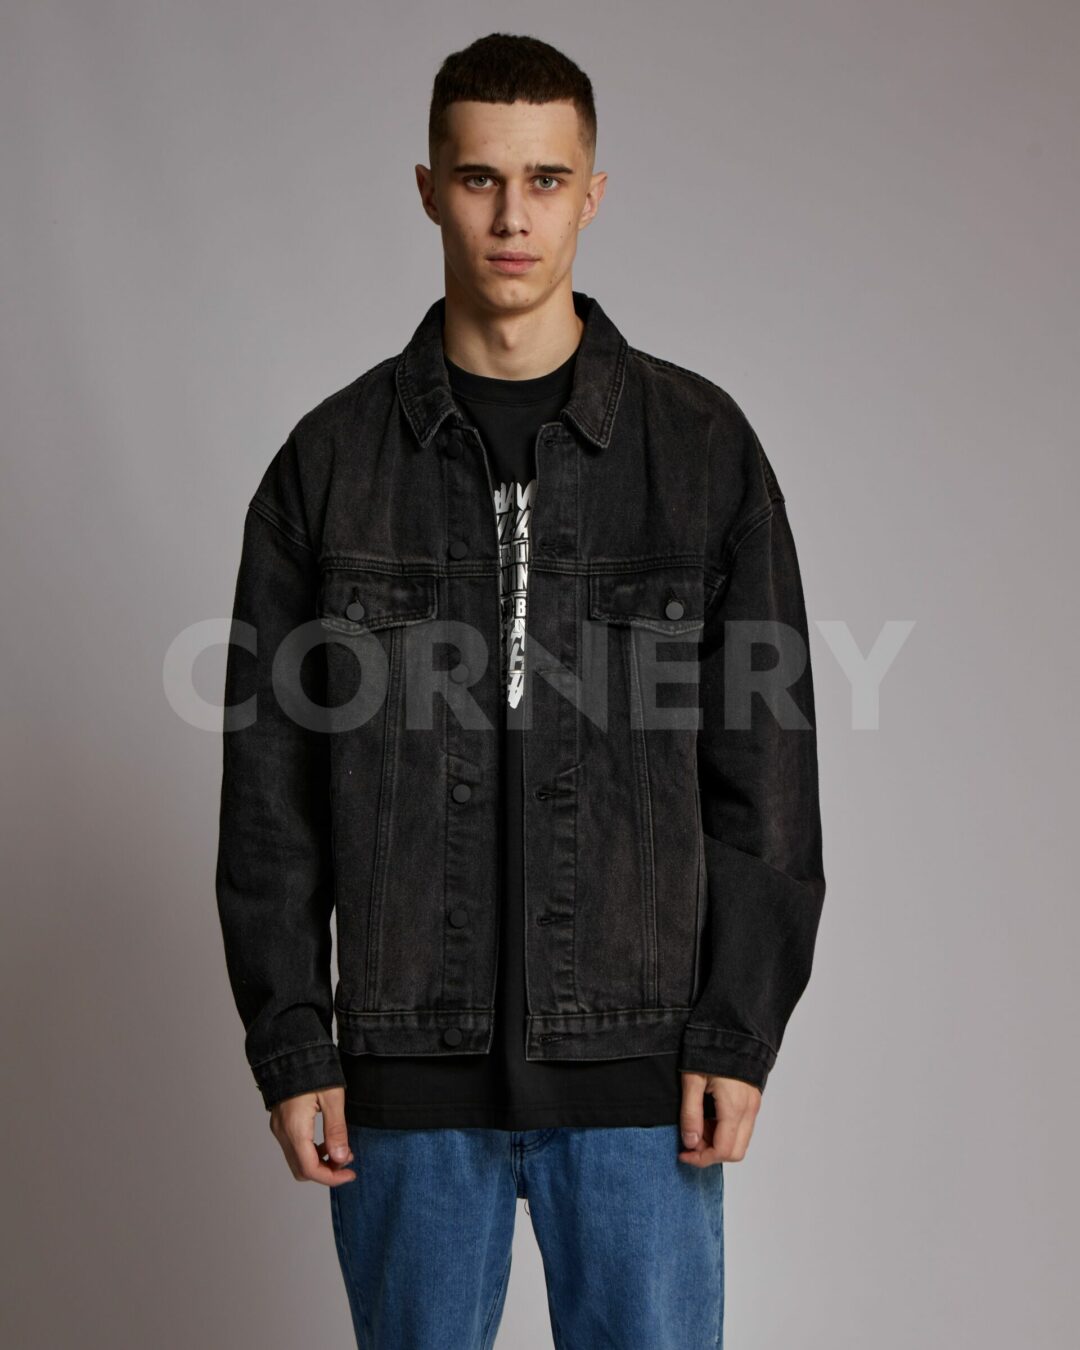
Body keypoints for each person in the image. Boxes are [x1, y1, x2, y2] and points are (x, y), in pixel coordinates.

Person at [215, 31, 826, 1350]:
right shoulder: (329, 463)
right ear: (429, 188)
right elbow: (271, 791)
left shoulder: (700, 452)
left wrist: (738, 1029)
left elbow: (765, 771)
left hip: (642, 1077)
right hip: (402, 1076)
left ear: (592, 195)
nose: (512, 217)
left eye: (545, 180)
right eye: (481, 178)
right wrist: (293, 1040)